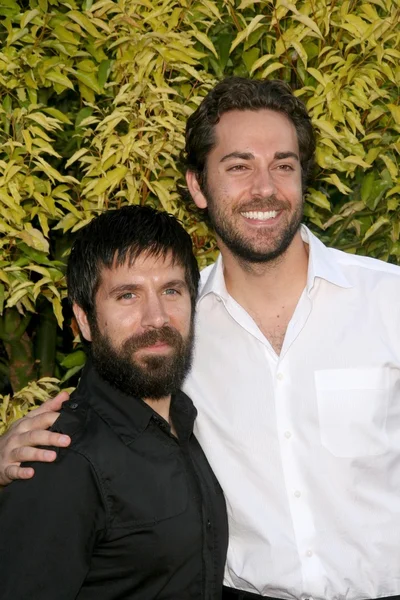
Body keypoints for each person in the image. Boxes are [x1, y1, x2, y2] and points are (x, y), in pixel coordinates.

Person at [1, 77, 400, 600]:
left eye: (284, 164)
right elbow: (103, 439)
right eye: (238, 166)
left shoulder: (388, 300)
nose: (265, 188)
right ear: (197, 186)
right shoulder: (170, 328)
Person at [0, 206, 228, 599]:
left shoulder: (188, 420)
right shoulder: (62, 460)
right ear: (84, 320)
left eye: (171, 290)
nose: (156, 318)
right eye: (127, 295)